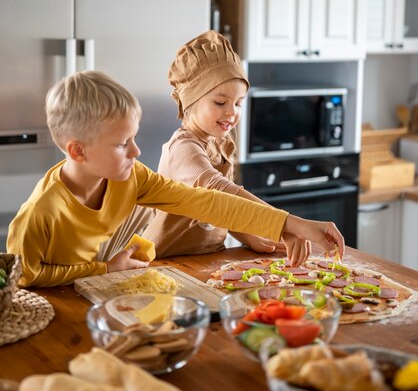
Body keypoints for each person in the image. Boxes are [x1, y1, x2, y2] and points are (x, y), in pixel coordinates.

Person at [6, 70, 342, 288]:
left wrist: (290, 224)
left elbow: (206, 201)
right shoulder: (40, 212)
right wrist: (104, 269)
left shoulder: (131, 177)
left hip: (98, 295)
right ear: (78, 152)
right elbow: (24, 278)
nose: (137, 152)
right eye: (123, 144)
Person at [141, 31, 345, 262]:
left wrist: (248, 236)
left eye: (238, 103)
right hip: (166, 264)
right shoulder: (183, 148)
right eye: (220, 102)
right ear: (192, 101)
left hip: (208, 258)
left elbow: (224, 208)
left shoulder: (220, 145)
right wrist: (288, 225)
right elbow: (216, 191)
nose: (232, 112)